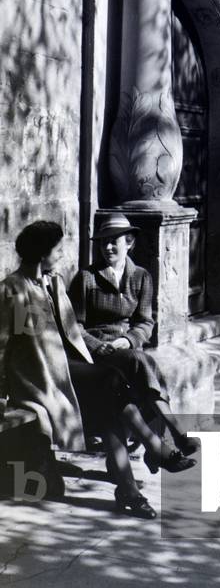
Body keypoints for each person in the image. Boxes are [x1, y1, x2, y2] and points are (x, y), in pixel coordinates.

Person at [0, 220, 195, 519]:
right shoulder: (15, 289)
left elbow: (70, 336)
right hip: (39, 378)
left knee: (111, 398)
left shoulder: (54, 283)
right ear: (42, 253)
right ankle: (151, 453)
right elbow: (6, 345)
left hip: (67, 370)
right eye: (58, 249)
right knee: (111, 382)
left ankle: (129, 490)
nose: (63, 254)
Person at [68, 214, 197, 463]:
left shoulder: (141, 277)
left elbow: (145, 322)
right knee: (141, 361)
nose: (107, 247)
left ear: (129, 242)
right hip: (96, 351)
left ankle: (162, 443)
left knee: (139, 360)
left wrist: (128, 340)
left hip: (126, 348)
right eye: (103, 242)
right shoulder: (86, 278)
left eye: (114, 241)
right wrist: (99, 345)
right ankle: (176, 432)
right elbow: (76, 328)